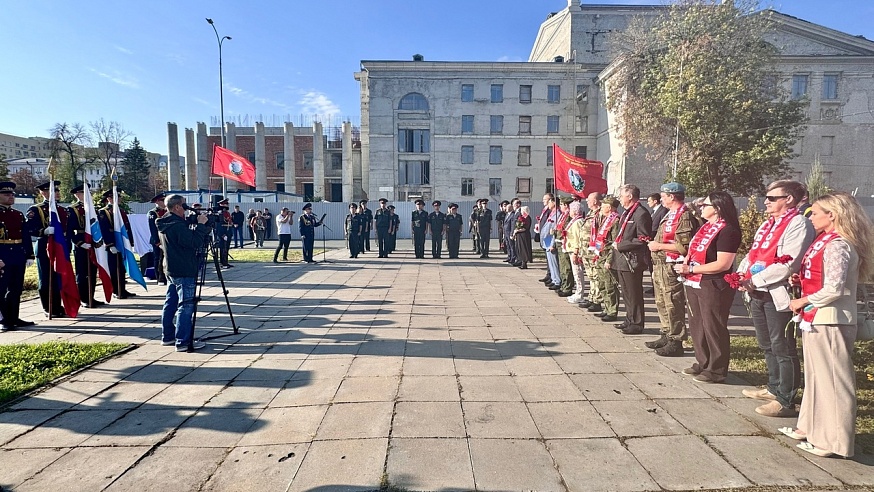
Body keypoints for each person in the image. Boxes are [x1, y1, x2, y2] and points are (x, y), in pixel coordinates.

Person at [783, 192, 874, 458]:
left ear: (831, 215)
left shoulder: (838, 244)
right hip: (817, 318)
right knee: (816, 378)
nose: (810, 217)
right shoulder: (825, 241)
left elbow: (834, 288)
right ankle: (809, 427)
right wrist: (802, 281)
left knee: (834, 382)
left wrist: (802, 300)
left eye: (815, 212)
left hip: (832, 319)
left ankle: (834, 442)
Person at [738, 180, 815, 418]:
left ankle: (786, 399)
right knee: (766, 343)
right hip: (757, 291)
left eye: (772, 198)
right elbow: (754, 254)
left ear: (789, 199)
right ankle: (773, 386)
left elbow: (789, 264)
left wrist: (754, 281)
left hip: (777, 292)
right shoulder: (768, 224)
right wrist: (742, 274)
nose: (766, 202)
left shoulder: (798, 223)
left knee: (783, 346)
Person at [674, 191, 741, 383]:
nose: (701, 207)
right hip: (695, 280)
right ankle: (702, 362)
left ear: (718, 208)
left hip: (714, 283)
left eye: (706, 205)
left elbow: (723, 264)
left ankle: (717, 369)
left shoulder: (728, 231)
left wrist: (691, 267)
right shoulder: (705, 228)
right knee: (697, 324)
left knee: (713, 325)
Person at [646, 183, 697, 356]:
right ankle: (666, 334)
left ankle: (676, 340)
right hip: (661, 265)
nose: (661, 199)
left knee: (673, 303)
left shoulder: (684, 216)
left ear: (672, 196)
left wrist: (658, 245)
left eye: (664, 196)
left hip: (671, 266)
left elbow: (684, 246)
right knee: (661, 302)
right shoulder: (671, 214)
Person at [157, 194, 212, 352]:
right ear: (176, 207)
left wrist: (194, 220)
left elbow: (182, 233)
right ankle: (183, 341)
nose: (186, 208)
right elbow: (194, 242)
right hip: (184, 269)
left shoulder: (166, 221)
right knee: (186, 305)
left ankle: (168, 336)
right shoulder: (177, 225)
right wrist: (201, 226)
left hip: (171, 268)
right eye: (184, 205)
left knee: (171, 303)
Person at [610, 184, 653, 334]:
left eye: (621, 196)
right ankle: (629, 319)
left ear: (629, 196)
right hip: (622, 260)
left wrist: (621, 245)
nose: (620, 199)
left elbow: (643, 238)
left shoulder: (640, 213)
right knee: (626, 292)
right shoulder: (627, 213)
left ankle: (637, 322)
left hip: (632, 260)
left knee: (634, 293)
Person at [25, 180, 67, 316]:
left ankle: (57, 306)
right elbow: (29, 229)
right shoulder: (36, 210)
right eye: (53, 191)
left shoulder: (61, 210)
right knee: (46, 278)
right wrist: (43, 231)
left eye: (57, 190)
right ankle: (48, 307)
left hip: (60, 247)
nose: (57, 193)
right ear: (43, 193)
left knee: (58, 277)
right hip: (45, 247)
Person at [0, 182, 36, 332]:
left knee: (16, 289)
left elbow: (25, 236)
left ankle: (14, 317)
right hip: (2, 254)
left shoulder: (17, 214)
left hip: (17, 254)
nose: (11, 197)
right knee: (1, 289)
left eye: (12, 194)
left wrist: (29, 255)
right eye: (6, 194)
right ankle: (3, 320)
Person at [66, 185, 105, 307]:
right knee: (82, 273)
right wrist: (79, 243)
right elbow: (69, 230)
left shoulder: (93, 209)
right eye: (83, 193)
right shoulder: (72, 210)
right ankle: (83, 298)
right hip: (81, 244)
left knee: (92, 272)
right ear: (77, 195)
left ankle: (91, 296)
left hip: (93, 243)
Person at [590, 196, 621, 321]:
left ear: (609, 207)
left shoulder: (615, 220)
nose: (601, 208)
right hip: (600, 254)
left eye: (603, 206)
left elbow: (614, 242)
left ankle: (612, 311)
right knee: (602, 284)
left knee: (610, 286)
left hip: (608, 255)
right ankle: (606, 308)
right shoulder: (606, 219)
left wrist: (610, 260)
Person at [579, 193, 602, 308]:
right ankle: (591, 297)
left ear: (595, 201)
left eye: (589, 200)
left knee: (596, 275)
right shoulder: (590, 213)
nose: (586, 201)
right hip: (586, 250)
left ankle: (597, 300)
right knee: (591, 276)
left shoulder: (600, 214)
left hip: (593, 251)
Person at [552, 197, 575, 297]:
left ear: (566, 205)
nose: (560, 206)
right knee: (562, 266)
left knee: (566, 267)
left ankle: (567, 287)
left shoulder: (569, 216)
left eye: (561, 204)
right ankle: (563, 285)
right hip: (559, 243)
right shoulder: (563, 215)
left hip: (564, 243)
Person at [565, 200, 587, 303]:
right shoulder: (574, 220)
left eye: (570, 210)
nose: (568, 212)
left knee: (578, 272)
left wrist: (575, 252)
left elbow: (578, 238)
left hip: (575, 250)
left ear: (574, 211)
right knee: (576, 273)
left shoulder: (578, 222)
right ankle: (578, 292)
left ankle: (580, 293)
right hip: (571, 248)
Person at [146, 193, 168, 285]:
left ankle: (166, 276)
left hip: (166, 239)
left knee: (166, 258)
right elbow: (153, 228)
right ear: (157, 201)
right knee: (158, 258)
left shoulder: (167, 211)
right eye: (162, 200)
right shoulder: (153, 213)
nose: (164, 202)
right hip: (158, 239)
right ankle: (159, 277)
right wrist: (157, 241)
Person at [540, 196, 561, 292]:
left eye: (549, 202)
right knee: (551, 263)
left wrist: (552, 244)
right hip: (547, 240)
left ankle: (557, 280)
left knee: (554, 263)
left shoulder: (557, 214)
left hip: (551, 241)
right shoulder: (552, 213)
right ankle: (553, 278)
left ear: (553, 202)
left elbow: (555, 230)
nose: (548, 204)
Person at [217, 199, 234, 269]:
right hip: (223, 233)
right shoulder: (220, 214)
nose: (227, 205)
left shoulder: (227, 213)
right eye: (226, 204)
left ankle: (226, 262)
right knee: (223, 248)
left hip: (228, 232)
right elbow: (218, 225)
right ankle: (223, 263)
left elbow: (229, 222)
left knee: (226, 248)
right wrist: (222, 235)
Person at [503, 199, 520, 265]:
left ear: (510, 208)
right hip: (506, 232)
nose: (506, 209)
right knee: (508, 245)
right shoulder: (507, 214)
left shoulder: (512, 215)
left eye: (507, 208)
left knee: (512, 246)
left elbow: (512, 224)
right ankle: (509, 256)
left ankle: (513, 257)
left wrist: (511, 233)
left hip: (510, 232)